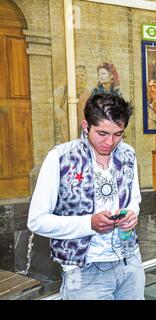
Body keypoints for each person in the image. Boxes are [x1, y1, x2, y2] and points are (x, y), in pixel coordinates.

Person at [27, 93, 145, 300]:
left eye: (118, 134)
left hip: (130, 262)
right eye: (102, 133)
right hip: (83, 269)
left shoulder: (128, 154)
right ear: (85, 125)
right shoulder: (61, 158)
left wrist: (132, 214)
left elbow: (134, 199)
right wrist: (89, 223)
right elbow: (36, 221)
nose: (110, 142)